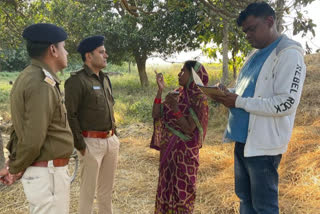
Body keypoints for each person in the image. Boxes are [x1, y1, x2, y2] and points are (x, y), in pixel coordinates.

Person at [211, 2, 306, 214]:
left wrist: (238, 101)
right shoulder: (254, 55)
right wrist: (227, 93)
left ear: (270, 21)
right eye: (245, 31)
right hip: (243, 140)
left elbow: (286, 103)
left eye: (252, 29)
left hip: (263, 146)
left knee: (264, 207)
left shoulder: (288, 54)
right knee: (245, 200)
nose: (247, 35)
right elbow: (249, 92)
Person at [3, 23, 74, 214]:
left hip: (45, 171)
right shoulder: (41, 82)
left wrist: (16, 163)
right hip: (47, 173)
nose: (66, 52)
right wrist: (16, 167)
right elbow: (33, 137)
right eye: (64, 47)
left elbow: (20, 128)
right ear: (53, 50)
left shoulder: (30, 76)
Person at [64, 35, 120, 214]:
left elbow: (110, 108)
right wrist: (80, 145)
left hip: (110, 141)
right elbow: (70, 115)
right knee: (87, 194)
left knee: (106, 192)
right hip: (90, 143)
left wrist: (115, 137)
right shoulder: (76, 81)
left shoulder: (105, 79)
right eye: (101, 52)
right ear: (89, 56)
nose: (106, 55)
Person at [151, 61, 209, 213]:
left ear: (194, 76)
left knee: (183, 194)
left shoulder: (200, 99)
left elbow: (189, 129)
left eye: (183, 71)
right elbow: (156, 114)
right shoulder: (177, 94)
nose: (179, 74)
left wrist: (175, 108)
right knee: (165, 190)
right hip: (168, 153)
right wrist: (160, 91)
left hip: (185, 156)